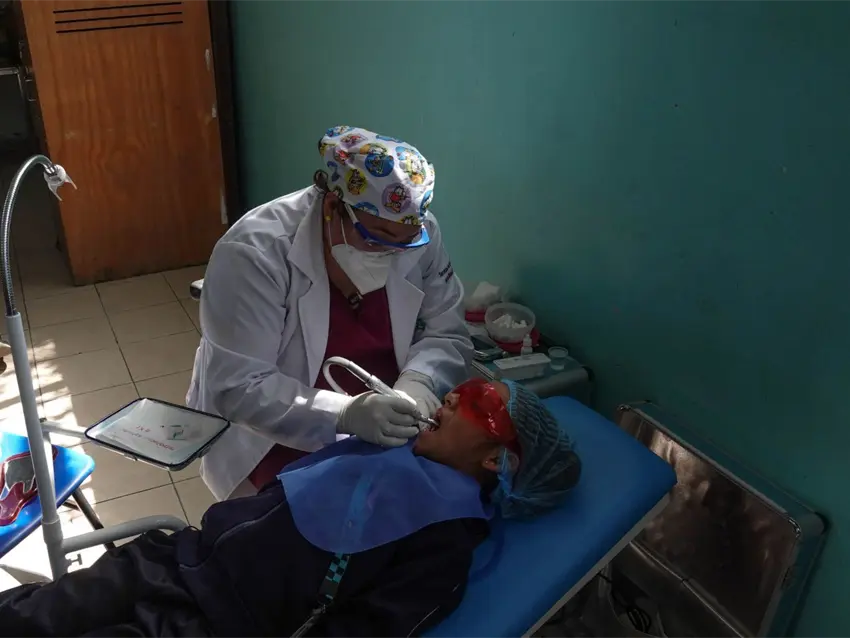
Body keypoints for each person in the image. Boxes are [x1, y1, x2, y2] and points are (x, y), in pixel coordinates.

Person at [0, 380, 581, 638]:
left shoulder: (445, 542)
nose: (452, 394)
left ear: (497, 460)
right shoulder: (392, 442)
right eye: (466, 385)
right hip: (176, 559)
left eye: (478, 403)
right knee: (36, 612)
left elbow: (369, 629)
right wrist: (348, 415)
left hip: (218, 625)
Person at [187, 126, 473, 501]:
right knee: (281, 523)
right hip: (270, 435)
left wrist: (419, 383)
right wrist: (343, 415)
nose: (391, 252)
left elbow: (447, 331)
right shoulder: (255, 251)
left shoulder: (419, 235)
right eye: (376, 237)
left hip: (383, 429)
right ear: (332, 207)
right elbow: (241, 386)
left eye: (404, 242)